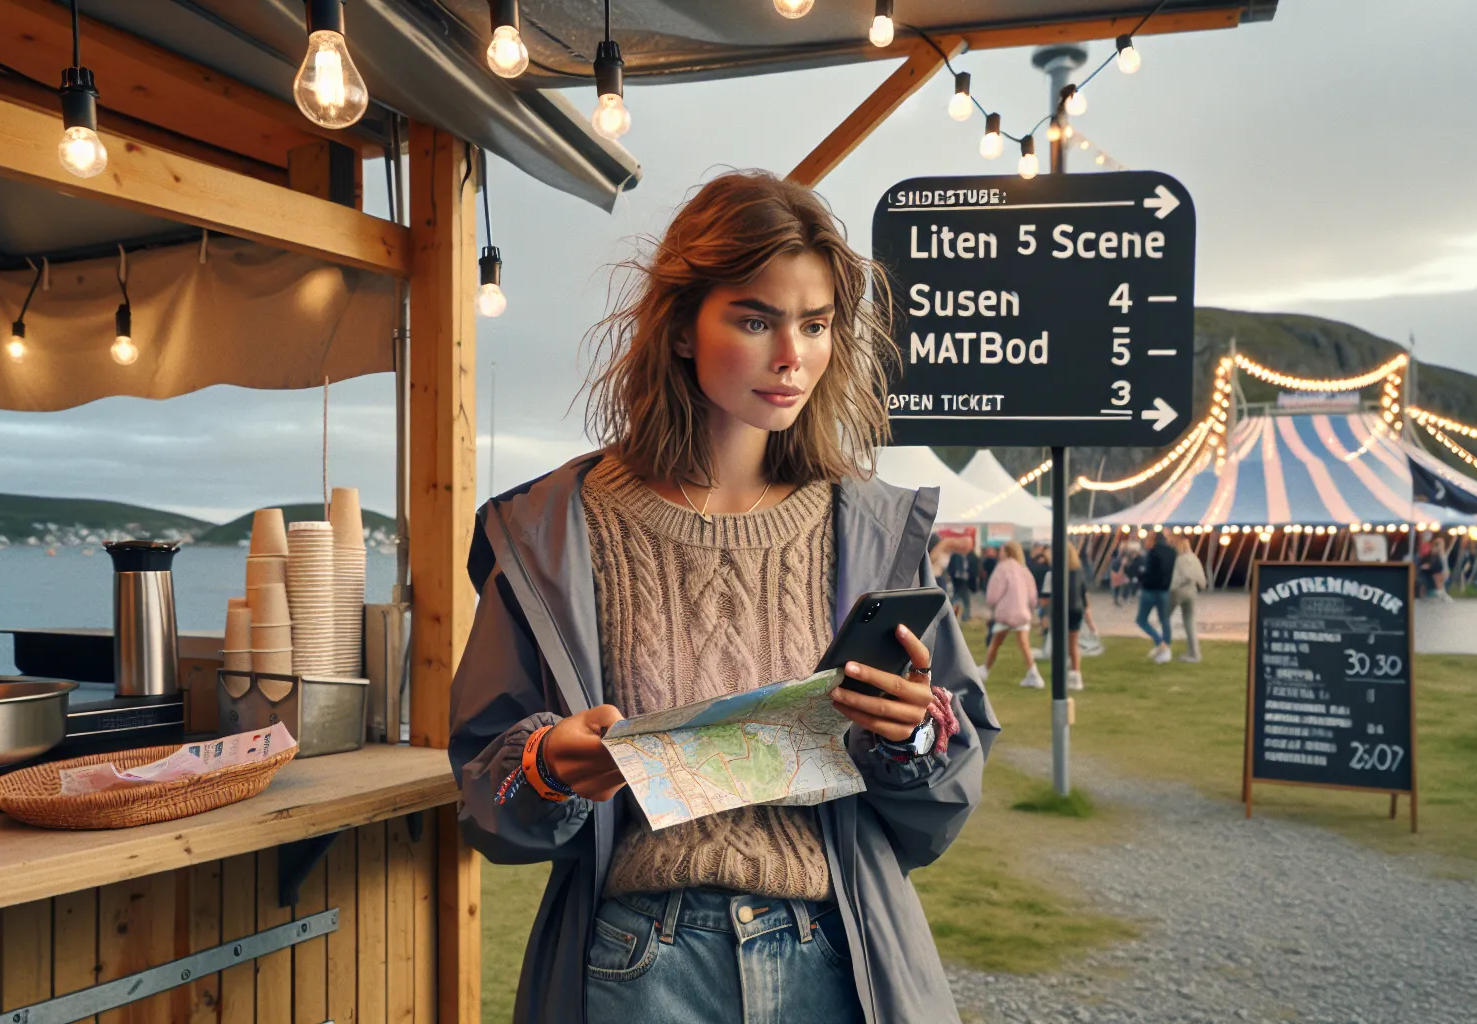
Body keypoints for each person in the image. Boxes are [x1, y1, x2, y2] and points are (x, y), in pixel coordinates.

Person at [446, 171, 998, 1024]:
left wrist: (915, 730)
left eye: (816, 325)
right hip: (637, 963)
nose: (793, 356)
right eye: (755, 318)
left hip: (837, 955)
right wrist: (548, 763)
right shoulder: (551, 530)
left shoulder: (878, 529)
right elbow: (486, 788)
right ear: (678, 328)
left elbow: (947, 792)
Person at [982, 540, 1043, 689]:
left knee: (996, 642)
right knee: (1024, 644)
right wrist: (1031, 606)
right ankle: (1033, 673)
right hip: (1022, 612)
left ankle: (985, 670)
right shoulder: (1024, 570)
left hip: (1006, 612)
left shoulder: (1002, 569)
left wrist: (991, 605)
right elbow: (1032, 594)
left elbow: (994, 594)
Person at [1039, 544, 1090, 690]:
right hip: (1076, 609)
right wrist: (1087, 610)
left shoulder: (1056, 572)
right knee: (1073, 644)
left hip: (1062, 610)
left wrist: (1045, 615)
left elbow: (1048, 597)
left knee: (1060, 644)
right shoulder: (1079, 571)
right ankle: (1076, 675)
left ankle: (1062, 675)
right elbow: (1083, 593)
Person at [1137, 531, 1177, 663]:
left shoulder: (1152, 552)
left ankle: (1160, 643)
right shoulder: (1172, 552)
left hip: (1149, 589)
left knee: (1141, 620)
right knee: (1164, 620)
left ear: (1154, 539)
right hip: (1164, 590)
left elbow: (1147, 570)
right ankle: (1166, 648)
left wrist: (1140, 577)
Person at [1169, 536, 1209, 662]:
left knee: (1165, 617)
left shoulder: (1179, 560)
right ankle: (1194, 654)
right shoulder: (1194, 558)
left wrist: (1168, 588)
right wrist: (1202, 585)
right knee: (1189, 622)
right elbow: (1201, 578)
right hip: (1191, 593)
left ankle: (1163, 646)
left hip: (1178, 593)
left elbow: (1175, 579)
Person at [947, 540, 975, 622]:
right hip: (961, 580)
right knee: (965, 600)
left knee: (956, 598)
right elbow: (961, 569)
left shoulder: (956, 555)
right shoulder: (960, 556)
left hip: (957, 580)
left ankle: (950, 615)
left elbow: (950, 568)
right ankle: (965, 617)